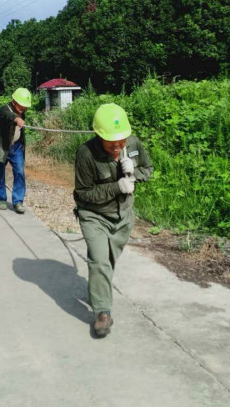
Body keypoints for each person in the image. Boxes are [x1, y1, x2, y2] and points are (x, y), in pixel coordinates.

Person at [74, 103, 152, 338]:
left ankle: (98, 291)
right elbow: (83, 193)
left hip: (123, 217)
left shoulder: (134, 144)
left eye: (122, 140)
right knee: (99, 260)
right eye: (111, 142)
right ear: (99, 136)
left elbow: (148, 169)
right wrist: (116, 187)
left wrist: (135, 172)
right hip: (94, 215)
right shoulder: (86, 154)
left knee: (107, 262)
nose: (118, 145)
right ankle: (103, 313)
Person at [0, 87, 31, 214]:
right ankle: (1, 199)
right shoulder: (4, 109)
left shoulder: (22, 111)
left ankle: (18, 201)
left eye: (25, 107)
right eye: (22, 106)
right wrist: (17, 119)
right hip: (1, 146)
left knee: (20, 172)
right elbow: (8, 115)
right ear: (14, 102)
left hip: (16, 147)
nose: (24, 109)